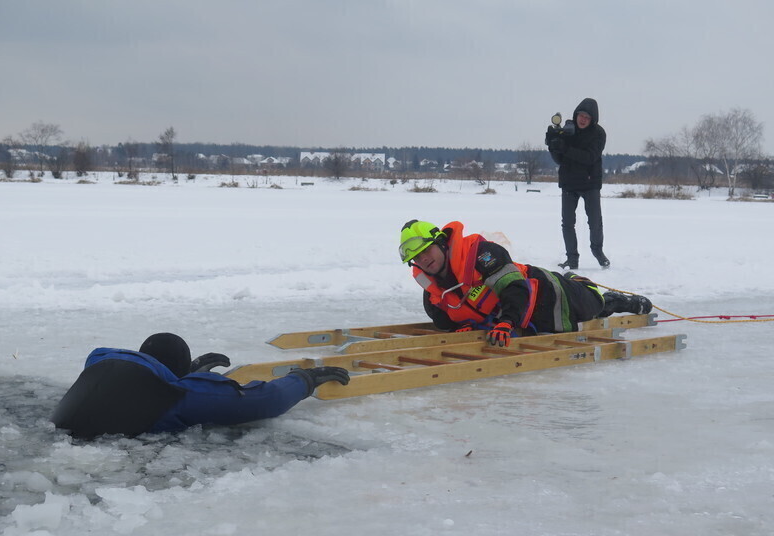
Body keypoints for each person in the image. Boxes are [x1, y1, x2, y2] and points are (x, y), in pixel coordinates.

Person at [398, 220, 652, 347]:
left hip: (548, 293)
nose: (424, 260)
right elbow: (445, 322)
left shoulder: (481, 254)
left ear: (441, 242)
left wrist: (507, 321)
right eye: (417, 258)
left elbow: (515, 288)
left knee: (592, 306)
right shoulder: (434, 293)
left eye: (426, 250)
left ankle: (604, 295)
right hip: (525, 322)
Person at [51, 332, 350, 439]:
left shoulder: (101, 362)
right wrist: (304, 380)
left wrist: (191, 372)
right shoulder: (179, 394)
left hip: (61, 430)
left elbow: (146, 381)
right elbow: (263, 401)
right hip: (98, 449)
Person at [545, 97, 609, 270]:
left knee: (595, 222)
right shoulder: (567, 130)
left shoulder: (599, 134)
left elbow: (589, 157)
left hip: (590, 183)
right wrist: (553, 145)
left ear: (592, 119)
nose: (583, 119)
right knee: (567, 223)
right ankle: (572, 259)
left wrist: (565, 148)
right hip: (569, 183)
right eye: (581, 115)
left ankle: (598, 252)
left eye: (587, 117)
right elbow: (559, 159)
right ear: (576, 115)